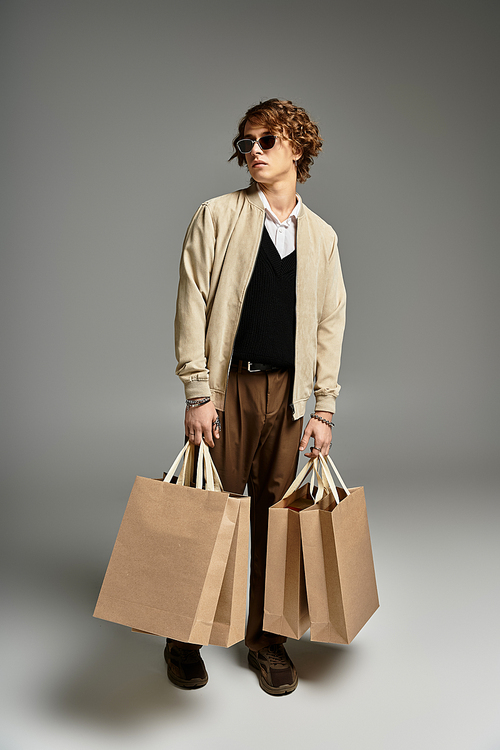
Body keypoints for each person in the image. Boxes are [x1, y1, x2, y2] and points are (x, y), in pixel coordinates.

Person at [167, 98, 346, 695]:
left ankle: (266, 639)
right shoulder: (216, 216)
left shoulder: (320, 237)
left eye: (267, 140)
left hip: (290, 397)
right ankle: (183, 635)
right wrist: (198, 392)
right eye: (246, 143)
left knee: (277, 518)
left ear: (297, 147)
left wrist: (323, 408)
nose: (254, 152)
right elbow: (192, 300)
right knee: (208, 510)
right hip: (229, 388)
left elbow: (329, 326)